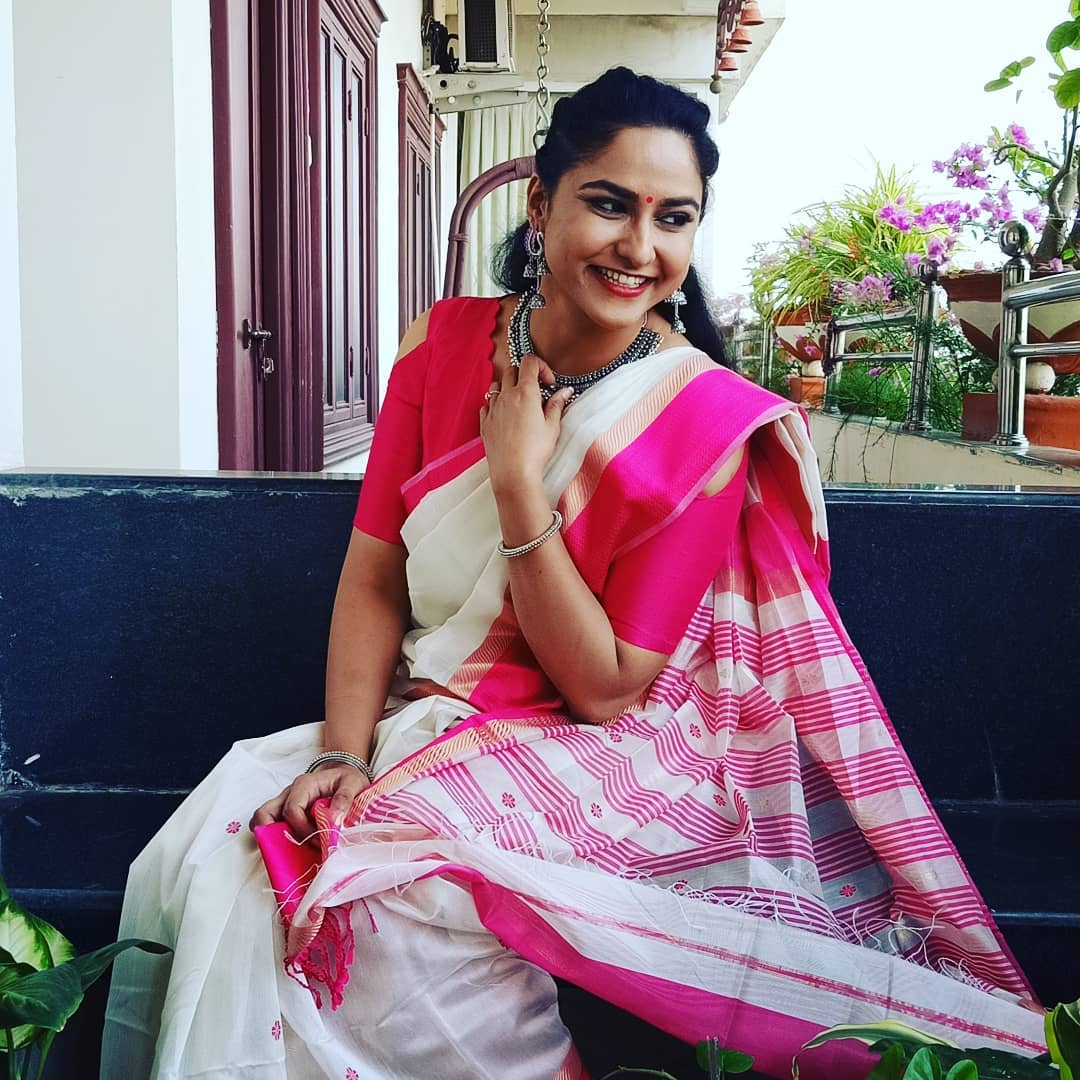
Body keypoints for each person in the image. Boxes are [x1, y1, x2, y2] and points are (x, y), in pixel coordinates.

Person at [102, 67, 1044, 1080]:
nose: (640, 247)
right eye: (608, 204)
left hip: (611, 751)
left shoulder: (701, 422)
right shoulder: (442, 345)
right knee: (224, 853)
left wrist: (520, 489)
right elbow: (374, 570)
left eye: (672, 218)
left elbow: (603, 688)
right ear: (540, 202)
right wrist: (344, 753)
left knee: (379, 889)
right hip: (427, 720)